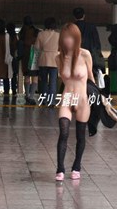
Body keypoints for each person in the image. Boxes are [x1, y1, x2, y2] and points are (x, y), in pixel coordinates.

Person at [55, 23, 94, 181]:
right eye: (65, 37)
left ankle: (76, 166)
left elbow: (91, 77)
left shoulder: (85, 54)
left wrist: (98, 96)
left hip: (83, 99)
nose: (68, 40)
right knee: (63, 133)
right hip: (67, 98)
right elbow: (63, 79)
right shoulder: (58, 57)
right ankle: (60, 169)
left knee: (80, 135)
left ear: (77, 38)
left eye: (71, 37)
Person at [35, 17, 60, 106]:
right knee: (53, 82)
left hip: (44, 59)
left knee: (44, 81)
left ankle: (44, 100)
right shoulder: (58, 35)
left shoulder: (40, 34)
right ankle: (52, 101)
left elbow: (37, 48)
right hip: (54, 60)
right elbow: (60, 48)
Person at [19, 16, 40, 105]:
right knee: (34, 77)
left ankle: (27, 95)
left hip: (25, 56)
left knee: (26, 76)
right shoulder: (36, 31)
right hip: (34, 55)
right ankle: (31, 97)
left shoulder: (22, 32)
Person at [6, 22, 19, 96]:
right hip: (14, 57)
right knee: (14, 74)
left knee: (6, 74)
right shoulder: (16, 36)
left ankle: (6, 90)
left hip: (6, 56)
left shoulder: (6, 36)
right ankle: (14, 91)